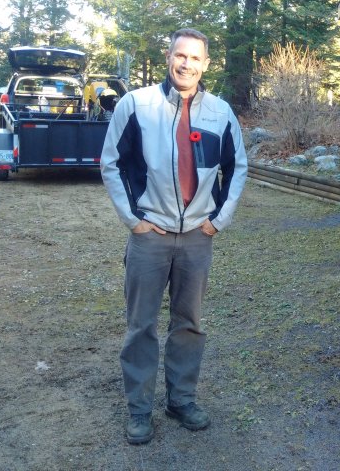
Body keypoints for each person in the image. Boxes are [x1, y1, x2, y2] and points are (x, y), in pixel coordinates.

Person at [101, 28, 248, 445]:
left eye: (195, 57)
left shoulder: (220, 112)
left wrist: (218, 221)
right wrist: (133, 220)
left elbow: (237, 167)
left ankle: (181, 400)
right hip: (150, 236)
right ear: (169, 57)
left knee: (189, 324)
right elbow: (111, 163)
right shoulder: (136, 104)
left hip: (197, 238)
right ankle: (139, 410)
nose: (186, 64)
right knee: (141, 326)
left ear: (206, 64)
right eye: (180, 55)